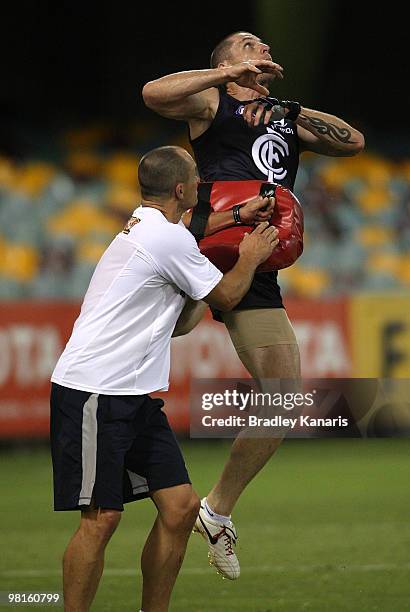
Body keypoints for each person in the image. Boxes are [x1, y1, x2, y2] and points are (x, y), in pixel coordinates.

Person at [142, 31, 365, 580]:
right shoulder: (211, 99)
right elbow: (153, 94)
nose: (260, 47)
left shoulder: (288, 118)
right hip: (201, 239)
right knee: (154, 333)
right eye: (248, 44)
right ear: (223, 61)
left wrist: (286, 107)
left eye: (263, 46)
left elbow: (353, 141)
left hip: (254, 256)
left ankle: (215, 509)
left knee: (285, 397)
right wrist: (226, 78)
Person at [49, 145, 279, 612]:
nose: (201, 185)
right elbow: (229, 295)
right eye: (197, 178)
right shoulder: (166, 240)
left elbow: (187, 241)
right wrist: (250, 255)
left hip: (132, 393)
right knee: (101, 518)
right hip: (95, 388)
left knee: (180, 508)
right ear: (181, 189)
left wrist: (236, 213)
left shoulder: (150, 224)